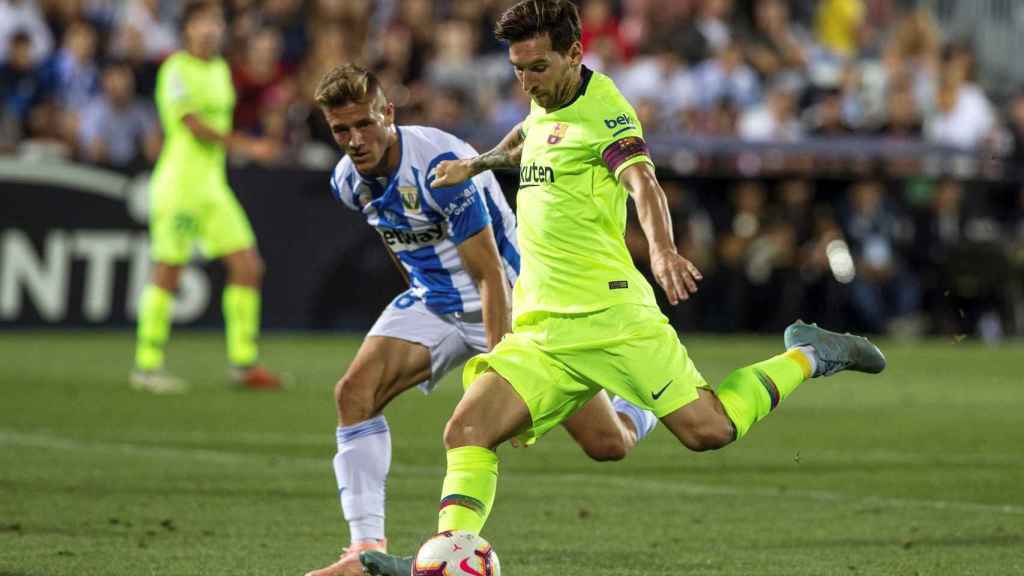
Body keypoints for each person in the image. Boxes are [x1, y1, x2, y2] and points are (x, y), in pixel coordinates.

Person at [360, 2, 886, 574]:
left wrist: (660, 249)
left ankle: (808, 353)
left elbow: (643, 183)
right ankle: (442, 559)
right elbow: (526, 139)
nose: (527, 81)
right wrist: (477, 165)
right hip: (542, 330)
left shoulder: (607, 112)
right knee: (468, 429)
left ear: (574, 55)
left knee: (708, 430)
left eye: (537, 67)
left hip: (612, 317)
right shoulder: (546, 104)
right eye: (518, 68)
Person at [304, 63, 659, 576]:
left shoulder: (440, 167)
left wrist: (502, 372)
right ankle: (362, 549)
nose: (355, 140)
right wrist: (416, 296)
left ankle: (637, 405)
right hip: (436, 302)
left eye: (364, 124)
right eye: (342, 130)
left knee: (609, 444)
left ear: (389, 113)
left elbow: (491, 275)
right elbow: (394, 235)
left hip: (512, 305)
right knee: (353, 395)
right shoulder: (347, 181)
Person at [132, 0, 281, 393]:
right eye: (202, 22)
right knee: (170, 269)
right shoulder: (175, 68)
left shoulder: (219, 70)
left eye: (215, 21)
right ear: (187, 30)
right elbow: (193, 125)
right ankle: (147, 366)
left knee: (248, 266)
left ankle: (244, 362)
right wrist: (247, 147)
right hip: (179, 184)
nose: (210, 28)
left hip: (213, 187)